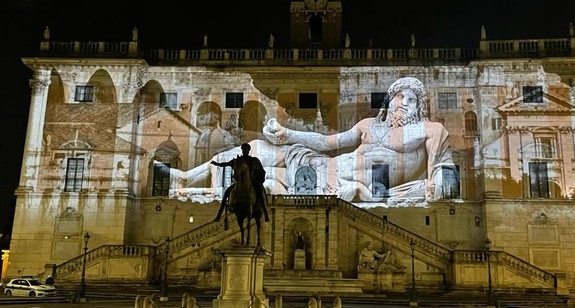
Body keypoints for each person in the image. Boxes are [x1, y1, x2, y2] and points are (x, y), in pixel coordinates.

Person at [169, 76, 455, 204]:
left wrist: (438, 183)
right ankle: (185, 179)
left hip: (351, 184)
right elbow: (328, 143)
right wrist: (289, 134)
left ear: (420, 104)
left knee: (270, 179)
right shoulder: (369, 125)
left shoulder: (431, 131)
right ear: (390, 101)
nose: (402, 102)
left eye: (410, 98)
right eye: (397, 96)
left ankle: (208, 193)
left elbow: (443, 173)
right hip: (324, 166)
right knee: (256, 149)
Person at [211, 143, 270, 222]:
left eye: (246, 150)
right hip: (239, 183)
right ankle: (219, 215)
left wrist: (259, 181)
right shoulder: (238, 160)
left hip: (253, 183)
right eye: (243, 150)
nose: (245, 151)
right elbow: (227, 164)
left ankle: (266, 214)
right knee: (226, 193)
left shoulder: (254, 161)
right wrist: (217, 164)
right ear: (242, 150)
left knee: (262, 192)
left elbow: (262, 172)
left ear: (249, 150)